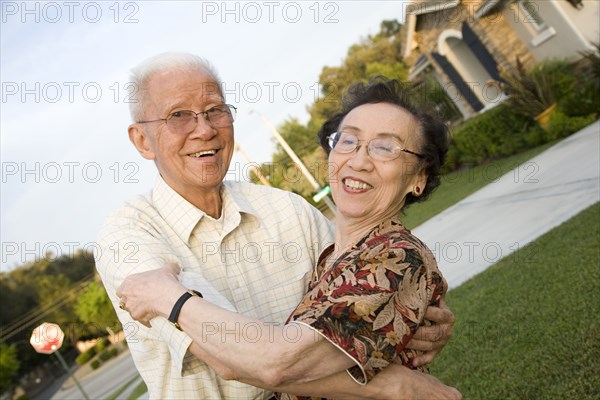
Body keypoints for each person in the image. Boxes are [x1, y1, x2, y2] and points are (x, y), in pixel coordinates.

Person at [96, 52, 459, 400]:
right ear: (142, 140)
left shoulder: (289, 210)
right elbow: (229, 357)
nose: (204, 130)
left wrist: (412, 321)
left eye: (215, 111)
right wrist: (393, 385)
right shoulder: (127, 237)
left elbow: (353, 313)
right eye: (178, 115)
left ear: (419, 177)